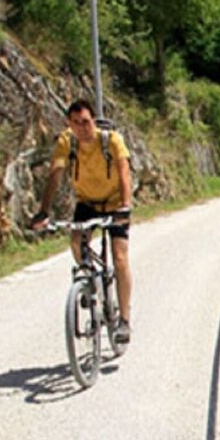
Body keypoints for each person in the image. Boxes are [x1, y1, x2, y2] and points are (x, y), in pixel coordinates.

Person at [30, 98, 133, 344]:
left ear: (93, 121)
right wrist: (44, 210)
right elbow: (55, 176)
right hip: (86, 203)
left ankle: (125, 320)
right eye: (75, 123)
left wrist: (126, 206)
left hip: (114, 202)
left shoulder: (111, 140)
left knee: (120, 257)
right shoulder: (67, 142)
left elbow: (124, 172)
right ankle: (90, 283)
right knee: (76, 243)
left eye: (85, 122)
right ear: (69, 124)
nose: (81, 128)